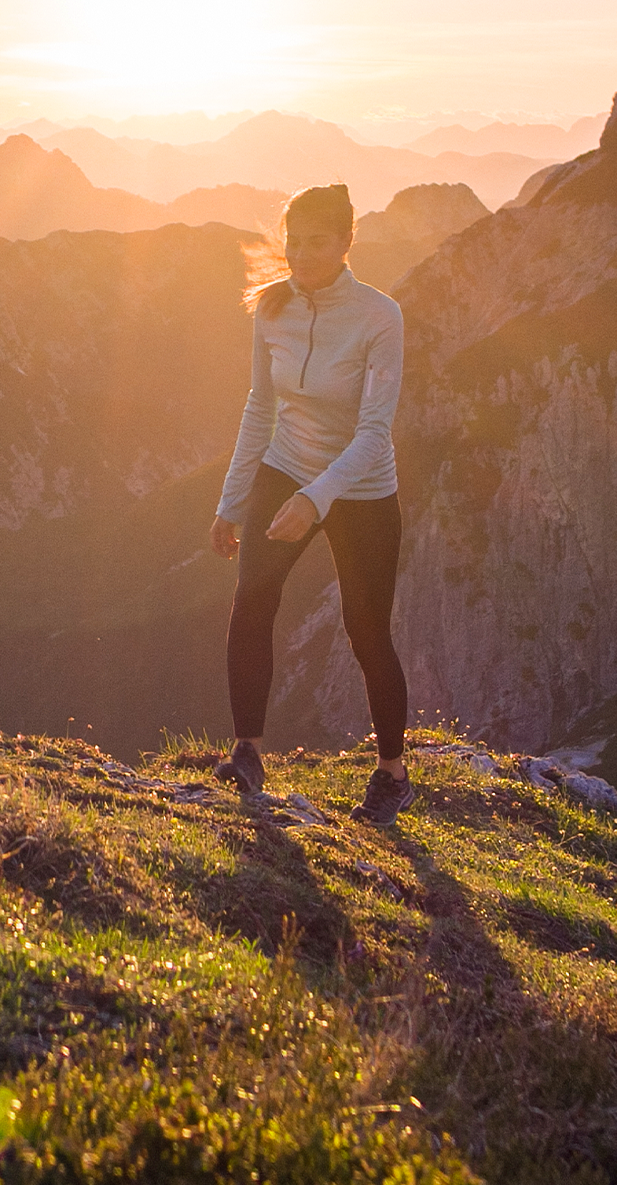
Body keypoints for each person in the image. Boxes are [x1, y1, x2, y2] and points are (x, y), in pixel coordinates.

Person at [208, 183, 414, 825]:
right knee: (251, 604)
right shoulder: (271, 310)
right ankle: (247, 752)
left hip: (360, 487)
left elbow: (374, 431)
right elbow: (259, 406)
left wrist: (315, 499)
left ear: (347, 242)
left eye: (316, 242)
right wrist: (232, 500)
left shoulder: (381, 316)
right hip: (286, 466)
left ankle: (392, 772)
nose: (300, 254)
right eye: (292, 241)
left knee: (366, 630)